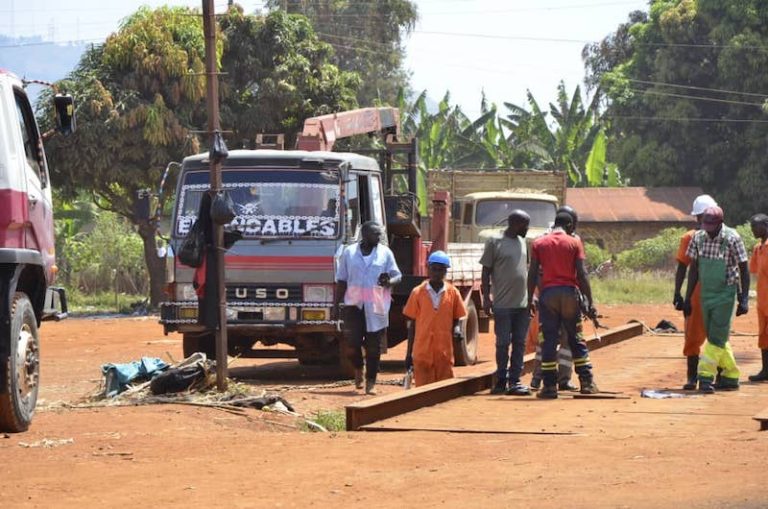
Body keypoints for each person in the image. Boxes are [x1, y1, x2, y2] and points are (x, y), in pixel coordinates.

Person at [527, 212, 599, 399]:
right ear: (568, 225)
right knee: (576, 338)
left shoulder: (539, 243)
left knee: (548, 341)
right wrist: (589, 301)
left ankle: (549, 386)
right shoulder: (574, 243)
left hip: (548, 295)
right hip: (569, 294)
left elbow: (533, 274)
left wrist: (528, 300)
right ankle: (587, 382)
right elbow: (582, 274)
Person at [683, 206, 749, 393]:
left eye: (711, 224)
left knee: (716, 337)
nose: (708, 228)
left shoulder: (733, 238)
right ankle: (730, 375)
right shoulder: (698, 238)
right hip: (706, 293)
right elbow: (694, 269)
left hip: (725, 294)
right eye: (705, 224)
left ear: (720, 223)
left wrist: (744, 298)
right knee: (716, 337)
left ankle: (704, 376)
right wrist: (687, 298)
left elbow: (744, 269)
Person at [335, 221, 402, 395]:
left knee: (374, 347)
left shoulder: (385, 253)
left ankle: (371, 381)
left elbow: (397, 276)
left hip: (376, 304)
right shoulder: (349, 253)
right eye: (375, 234)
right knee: (351, 344)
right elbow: (341, 280)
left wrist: (390, 281)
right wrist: (336, 305)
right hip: (353, 305)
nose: (379, 237)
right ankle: (358, 368)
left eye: (380, 234)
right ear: (364, 235)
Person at [480, 210, 532, 395]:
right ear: (516, 224)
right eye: (525, 224)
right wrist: (486, 297)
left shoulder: (523, 242)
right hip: (502, 304)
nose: (527, 228)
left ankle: (515, 381)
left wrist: (531, 298)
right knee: (502, 343)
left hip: (522, 305)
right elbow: (486, 272)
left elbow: (525, 271)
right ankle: (501, 380)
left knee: (519, 343)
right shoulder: (495, 241)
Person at [529, 205, 580, 391]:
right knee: (547, 340)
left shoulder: (573, 240)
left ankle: (563, 379)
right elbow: (537, 273)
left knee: (564, 341)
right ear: (569, 223)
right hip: (558, 297)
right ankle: (538, 377)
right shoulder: (546, 240)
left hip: (554, 296)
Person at [403, 251, 468, 387]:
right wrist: (409, 354)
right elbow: (412, 325)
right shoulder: (417, 293)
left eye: (441, 270)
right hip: (422, 352)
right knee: (422, 391)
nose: (437, 273)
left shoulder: (453, 293)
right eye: (434, 269)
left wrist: (456, 329)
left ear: (446, 271)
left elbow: (457, 317)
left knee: (444, 389)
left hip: (443, 352)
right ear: (428, 268)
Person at [673, 194, 717, 390]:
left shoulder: (690, 237)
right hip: (716, 292)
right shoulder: (726, 235)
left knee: (693, 335)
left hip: (698, 293)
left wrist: (678, 293)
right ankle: (718, 377)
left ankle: (693, 378)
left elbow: (682, 268)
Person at [748, 214, 768, 382]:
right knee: (763, 335)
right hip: (762, 301)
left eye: (755, 227)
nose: (753, 230)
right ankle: (765, 371)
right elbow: (753, 271)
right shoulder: (758, 249)